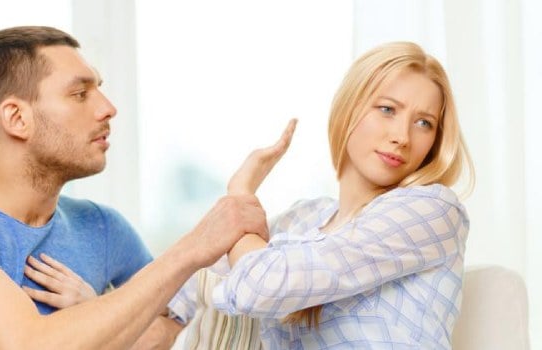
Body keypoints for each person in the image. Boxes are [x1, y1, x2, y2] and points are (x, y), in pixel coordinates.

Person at [0, 26, 268, 350]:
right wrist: (193, 248)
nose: (108, 108)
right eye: (80, 93)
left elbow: (175, 322)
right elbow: (26, 344)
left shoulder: (102, 228)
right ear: (17, 118)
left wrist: (94, 311)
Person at [163, 41, 473, 349]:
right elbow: (191, 280)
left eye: (424, 123)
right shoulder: (304, 218)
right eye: (387, 109)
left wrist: (241, 194)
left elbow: (262, 285)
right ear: (349, 107)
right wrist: (165, 323)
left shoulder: (432, 210)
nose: (402, 137)